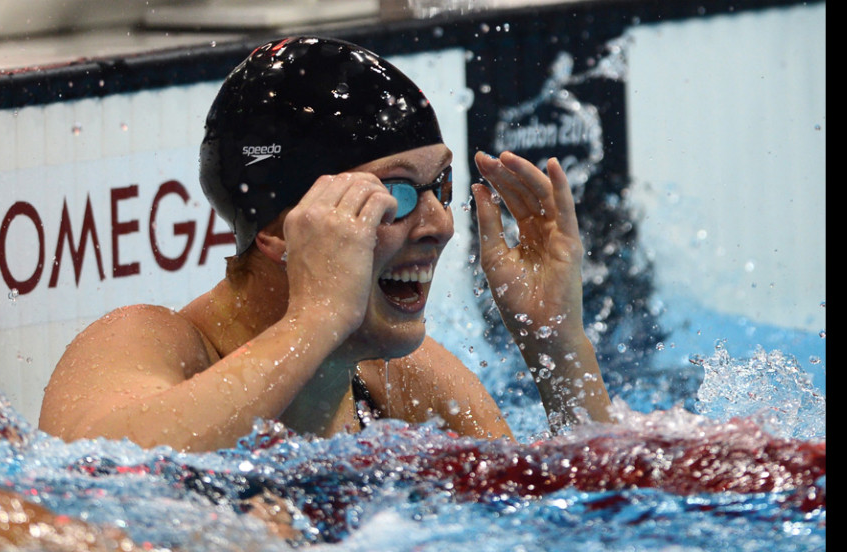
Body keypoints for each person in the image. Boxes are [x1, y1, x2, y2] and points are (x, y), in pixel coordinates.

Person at [39, 36, 613, 453]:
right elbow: (99, 473)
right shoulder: (148, 343)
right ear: (277, 229)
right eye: (393, 193)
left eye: (439, 185)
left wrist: (556, 344)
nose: (441, 224)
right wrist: (314, 320)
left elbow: (567, 523)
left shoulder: (402, 384)